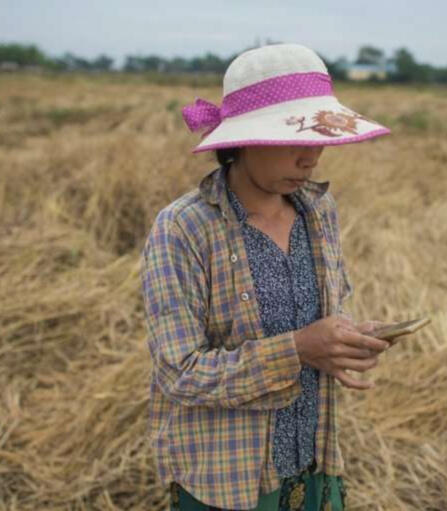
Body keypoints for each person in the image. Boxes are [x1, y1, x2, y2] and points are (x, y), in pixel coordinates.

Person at [141, 43, 392, 511]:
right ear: (242, 140)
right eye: (292, 139)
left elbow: (328, 316)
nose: (311, 158)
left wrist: (345, 340)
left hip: (313, 457)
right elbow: (180, 374)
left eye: (318, 138)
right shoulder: (184, 228)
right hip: (228, 480)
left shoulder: (318, 211)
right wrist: (298, 347)